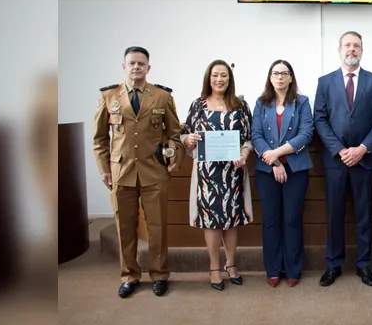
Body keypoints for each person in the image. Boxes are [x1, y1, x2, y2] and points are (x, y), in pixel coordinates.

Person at [93, 46, 182, 298]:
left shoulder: (162, 97)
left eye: (141, 64)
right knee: (125, 227)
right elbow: (99, 138)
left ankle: (159, 274)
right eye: (132, 63)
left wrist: (175, 157)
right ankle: (129, 276)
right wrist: (103, 169)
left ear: (148, 68)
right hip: (121, 173)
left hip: (154, 172)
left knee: (157, 228)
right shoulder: (109, 96)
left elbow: (174, 135)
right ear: (124, 66)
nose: (136, 68)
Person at [313, 31, 372, 287]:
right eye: (347, 45)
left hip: (365, 160)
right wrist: (340, 149)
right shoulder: (325, 82)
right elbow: (320, 119)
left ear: (362, 50)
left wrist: (362, 148)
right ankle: (333, 264)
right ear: (339, 50)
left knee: (364, 214)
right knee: (334, 214)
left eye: (356, 45)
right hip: (335, 161)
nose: (352, 49)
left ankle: (364, 265)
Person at [181, 60, 254, 291]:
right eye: (215, 75)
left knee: (232, 221)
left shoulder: (240, 105)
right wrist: (188, 140)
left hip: (233, 172)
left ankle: (231, 265)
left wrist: (243, 153)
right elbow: (185, 135)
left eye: (224, 75)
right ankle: (214, 268)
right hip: (206, 174)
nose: (219, 80)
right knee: (211, 221)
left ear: (230, 78)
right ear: (208, 78)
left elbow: (249, 138)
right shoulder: (198, 105)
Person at [251, 60, 314, 288]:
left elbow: (306, 134)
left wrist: (277, 152)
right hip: (267, 170)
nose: (279, 77)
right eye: (275, 73)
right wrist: (275, 161)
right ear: (270, 77)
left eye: (284, 73)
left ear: (291, 77)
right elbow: (255, 134)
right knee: (270, 221)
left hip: (296, 169)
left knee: (292, 219)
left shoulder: (302, 102)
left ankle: (294, 268)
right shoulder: (261, 103)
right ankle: (274, 268)